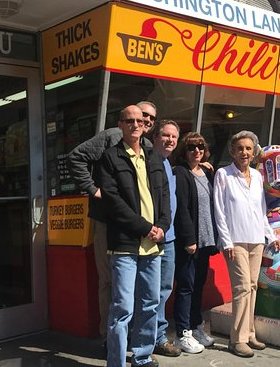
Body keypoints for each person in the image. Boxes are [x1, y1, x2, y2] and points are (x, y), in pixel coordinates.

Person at [67, 100, 156, 356]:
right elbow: (77, 157)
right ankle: (110, 338)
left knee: (138, 287)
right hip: (108, 223)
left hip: (137, 227)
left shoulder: (147, 147)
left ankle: (133, 339)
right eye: (141, 117)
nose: (145, 122)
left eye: (149, 118)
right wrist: (94, 190)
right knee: (110, 282)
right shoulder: (113, 136)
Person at [98, 105, 170, 367]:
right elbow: (113, 203)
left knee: (150, 303)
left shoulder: (153, 157)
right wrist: (145, 227)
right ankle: (115, 363)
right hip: (125, 246)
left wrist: (162, 225)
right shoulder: (110, 157)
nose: (135, 125)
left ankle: (142, 357)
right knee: (122, 309)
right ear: (120, 124)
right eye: (129, 120)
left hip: (153, 245)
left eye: (139, 120)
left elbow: (164, 197)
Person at [213, 130, 279, 358]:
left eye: (248, 148)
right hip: (235, 241)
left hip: (256, 239)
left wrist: (270, 235)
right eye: (240, 148)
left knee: (252, 287)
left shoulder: (258, 176)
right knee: (241, 289)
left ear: (254, 152)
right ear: (232, 151)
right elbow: (219, 210)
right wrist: (226, 240)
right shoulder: (224, 174)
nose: (244, 152)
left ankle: (249, 333)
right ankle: (237, 340)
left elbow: (262, 210)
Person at [172, 132, 218, 353]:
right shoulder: (181, 173)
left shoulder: (206, 172)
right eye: (191, 147)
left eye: (200, 146)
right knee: (185, 287)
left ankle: (195, 326)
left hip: (206, 240)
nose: (197, 151)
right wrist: (189, 239)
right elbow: (181, 209)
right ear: (184, 150)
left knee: (198, 286)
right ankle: (182, 333)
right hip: (190, 242)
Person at [150, 120, 183, 358]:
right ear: (154, 137)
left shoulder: (169, 165)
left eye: (174, 136)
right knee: (149, 292)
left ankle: (158, 336)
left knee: (163, 289)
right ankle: (151, 338)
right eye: (165, 135)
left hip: (169, 238)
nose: (170, 140)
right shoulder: (147, 163)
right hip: (152, 237)